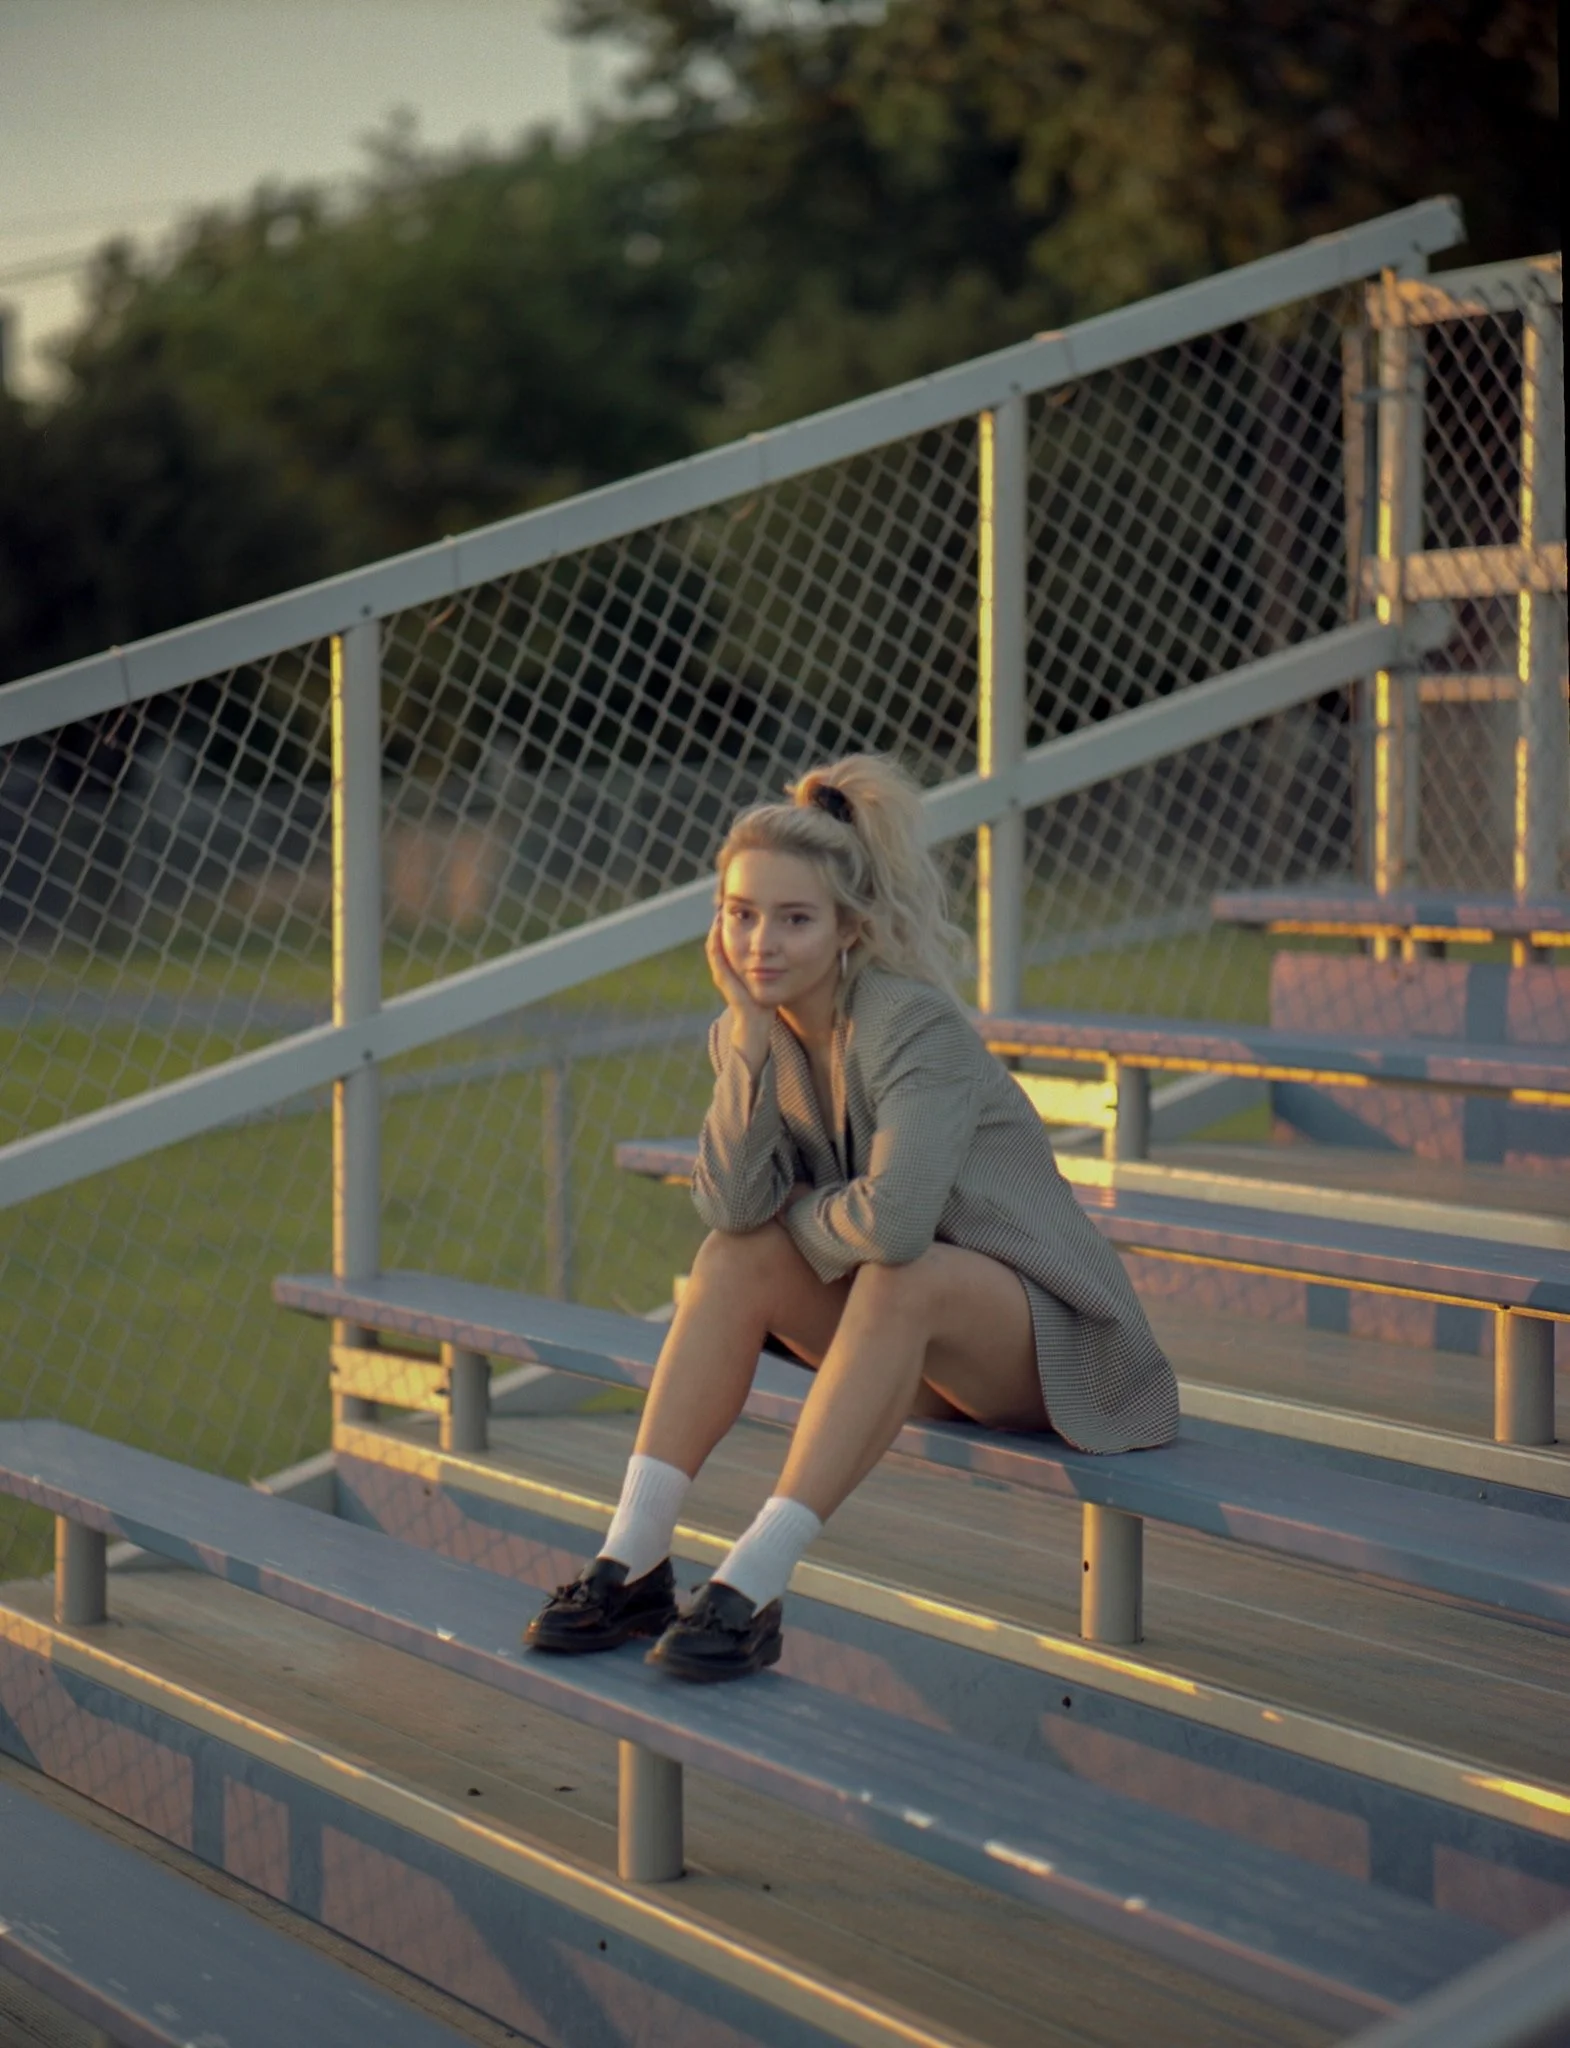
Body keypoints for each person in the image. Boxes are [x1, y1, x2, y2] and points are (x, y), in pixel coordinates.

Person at [525, 753, 1178, 1681]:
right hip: (904, 1341)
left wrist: (802, 1214)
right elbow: (732, 1207)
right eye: (741, 916)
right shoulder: (753, 1027)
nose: (762, 943)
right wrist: (747, 1047)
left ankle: (753, 1580)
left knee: (900, 1271)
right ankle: (631, 1558)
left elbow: (899, 1226)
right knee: (727, 1258)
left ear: (848, 931)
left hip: (1052, 1349)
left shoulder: (913, 1026)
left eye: (794, 919)